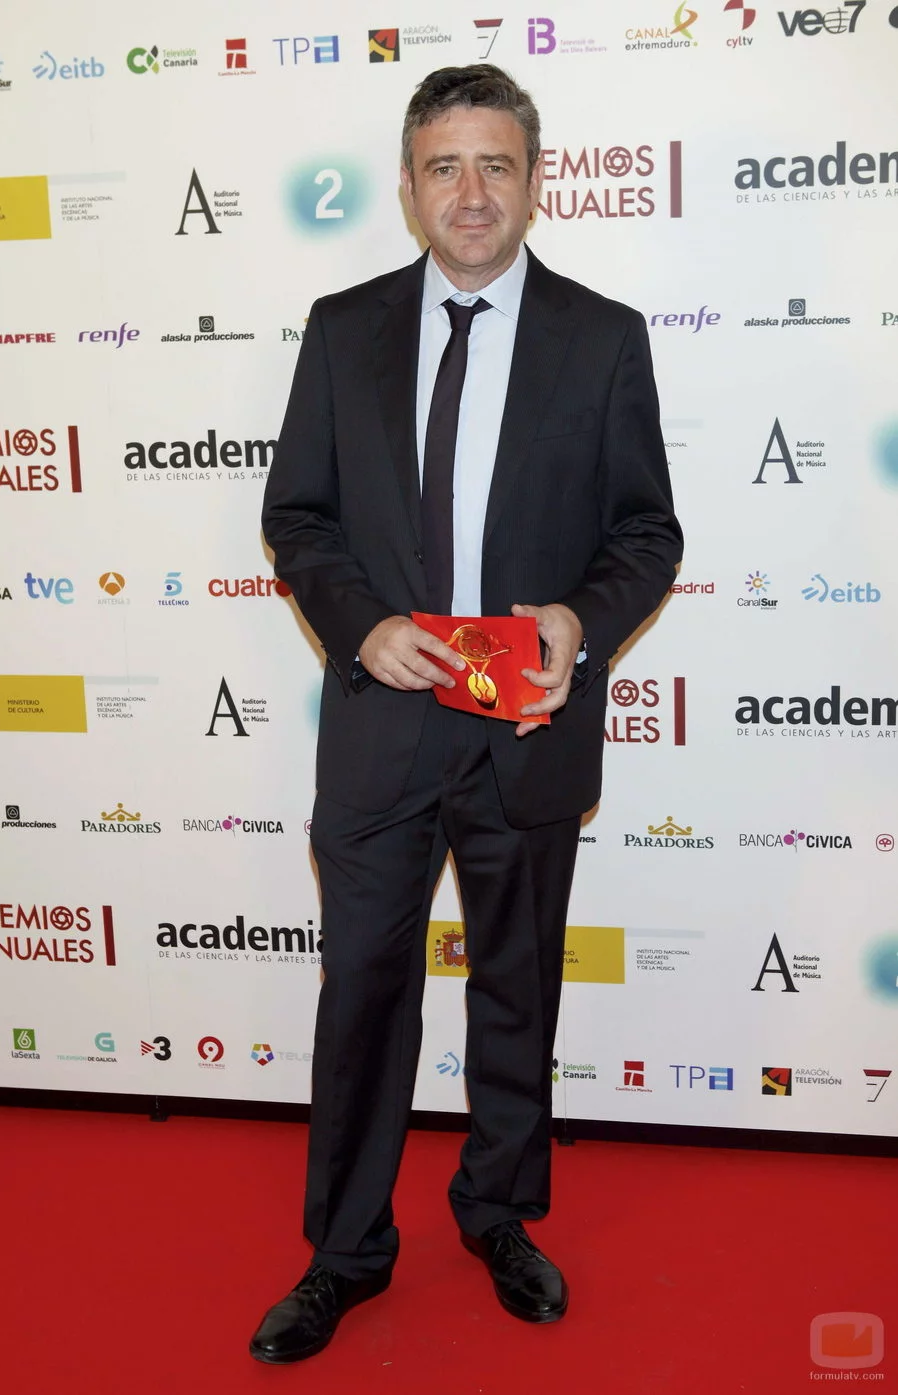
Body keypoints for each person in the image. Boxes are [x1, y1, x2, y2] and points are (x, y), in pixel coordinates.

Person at [254, 63, 682, 1363]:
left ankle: (498, 1213)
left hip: (525, 730)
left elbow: (645, 530)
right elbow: (298, 516)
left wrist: (578, 624)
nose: (472, 191)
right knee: (362, 999)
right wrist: (362, 625)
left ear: (536, 179)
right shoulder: (343, 330)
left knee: (517, 991)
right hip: (382, 729)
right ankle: (344, 1251)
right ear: (407, 187)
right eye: (445, 166)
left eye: (496, 163)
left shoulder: (602, 337)